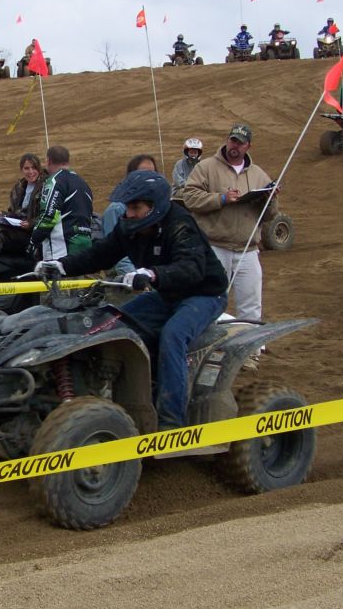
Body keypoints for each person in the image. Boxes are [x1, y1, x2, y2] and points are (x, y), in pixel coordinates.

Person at [35, 170, 228, 430]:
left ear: (155, 207)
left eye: (136, 207)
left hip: (203, 294)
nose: (129, 213)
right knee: (113, 320)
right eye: (127, 207)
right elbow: (100, 254)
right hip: (166, 294)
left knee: (173, 336)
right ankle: (121, 393)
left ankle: (172, 424)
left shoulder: (180, 224)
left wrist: (152, 273)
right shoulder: (129, 228)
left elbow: (192, 268)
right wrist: (60, 265)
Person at [175, 123, 275, 330]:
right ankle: (205, 348)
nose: (235, 146)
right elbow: (190, 197)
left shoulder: (258, 174)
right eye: (232, 140)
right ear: (227, 140)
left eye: (240, 143)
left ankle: (250, 357)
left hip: (248, 249)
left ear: (248, 146)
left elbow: (270, 215)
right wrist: (221, 198)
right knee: (207, 301)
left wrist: (270, 199)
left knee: (251, 306)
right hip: (215, 247)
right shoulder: (207, 167)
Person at [0, 153, 43, 279]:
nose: (31, 172)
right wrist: (3, 215)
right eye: (26, 168)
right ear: (21, 170)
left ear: (39, 168)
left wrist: (31, 223)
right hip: (17, 229)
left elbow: (49, 214)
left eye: (34, 168)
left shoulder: (46, 187)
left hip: (33, 234)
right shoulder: (19, 187)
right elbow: (14, 212)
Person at [30, 145, 93, 259]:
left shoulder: (54, 181)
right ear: (67, 161)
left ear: (48, 161)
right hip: (85, 243)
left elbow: (49, 216)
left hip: (62, 248)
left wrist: (33, 240)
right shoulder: (83, 183)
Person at [103, 154, 158, 275]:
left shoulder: (159, 207)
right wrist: (138, 278)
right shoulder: (116, 210)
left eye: (152, 173)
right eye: (143, 173)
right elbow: (116, 254)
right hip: (125, 282)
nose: (149, 178)